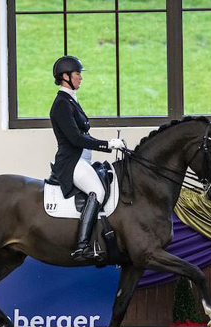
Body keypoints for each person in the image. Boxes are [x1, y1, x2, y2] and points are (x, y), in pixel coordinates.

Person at [49, 55, 126, 261]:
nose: (80, 78)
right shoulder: (61, 104)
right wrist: (107, 144)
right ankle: (82, 247)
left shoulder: (71, 101)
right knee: (97, 191)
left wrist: (108, 146)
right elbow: (75, 138)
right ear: (65, 77)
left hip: (82, 160)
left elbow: (84, 135)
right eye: (77, 75)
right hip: (71, 162)